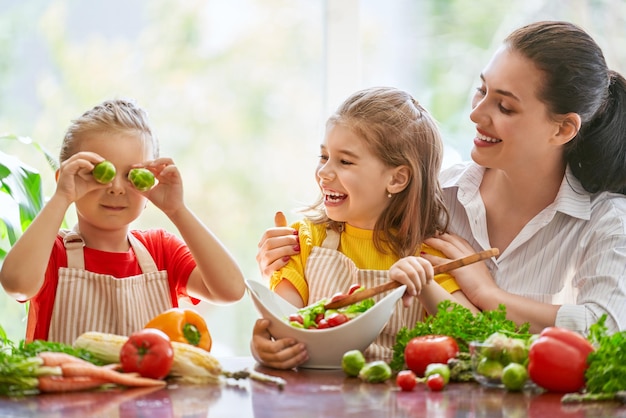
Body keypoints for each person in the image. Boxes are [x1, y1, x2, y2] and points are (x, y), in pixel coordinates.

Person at [256, 21, 626, 338]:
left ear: (562, 129)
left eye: (505, 106)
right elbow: (344, 227)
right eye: (482, 90)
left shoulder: (607, 222)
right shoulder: (433, 195)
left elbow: (607, 329)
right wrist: (286, 260)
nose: (477, 114)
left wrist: (488, 295)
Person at [251, 86, 482, 369]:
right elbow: (283, 325)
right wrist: (263, 346)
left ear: (397, 179)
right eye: (324, 157)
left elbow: (475, 340)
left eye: (345, 161)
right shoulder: (306, 240)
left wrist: (426, 285)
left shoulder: (428, 255)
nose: (324, 172)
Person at [0, 98, 246, 344]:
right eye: (99, 172)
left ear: (150, 182)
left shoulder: (162, 251)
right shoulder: (52, 253)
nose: (117, 188)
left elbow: (231, 290)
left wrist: (177, 209)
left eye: (132, 175)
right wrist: (61, 197)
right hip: (66, 383)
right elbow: (16, 283)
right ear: (66, 178)